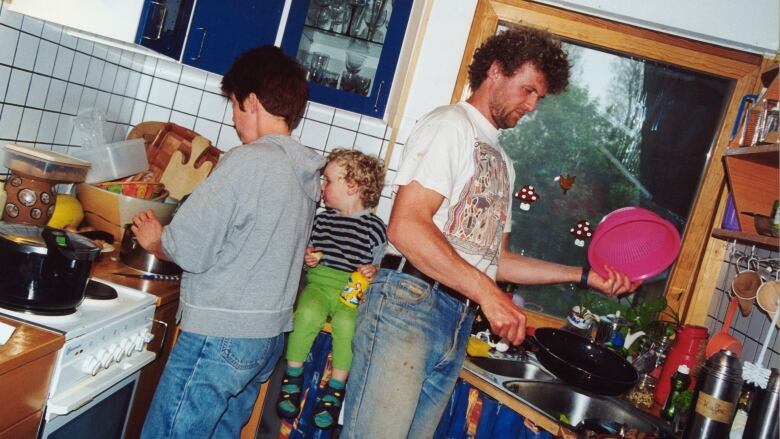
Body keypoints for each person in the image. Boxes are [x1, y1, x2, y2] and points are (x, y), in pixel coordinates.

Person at [341, 27, 640, 438]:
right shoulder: (450, 125)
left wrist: (585, 276)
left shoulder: (502, 160)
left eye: (539, 97)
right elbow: (407, 226)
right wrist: (488, 294)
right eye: (528, 90)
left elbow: (497, 261)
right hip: (410, 305)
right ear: (496, 71)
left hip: (455, 318)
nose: (533, 105)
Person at [133, 45, 326, 439]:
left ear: (252, 102)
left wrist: (156, 241)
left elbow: (188, 247)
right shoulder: (306, 173)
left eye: (236, 106)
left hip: (219, 334)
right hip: (264, 339)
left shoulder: (248, 161)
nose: (235, 120)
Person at [276, 148, 387, 429]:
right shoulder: (322, 219)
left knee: (348, 324)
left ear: (352, 186)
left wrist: (373, 271)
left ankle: (335, 389)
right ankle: (293, 377)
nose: (322, 186)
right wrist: (309, 256)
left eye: (328, 180)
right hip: (319, 285)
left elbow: (379, 267)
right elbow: (308, 252)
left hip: (349, 293)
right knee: (307, 313)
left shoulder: (375, 227)